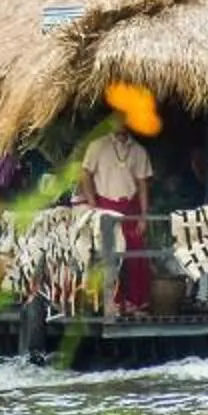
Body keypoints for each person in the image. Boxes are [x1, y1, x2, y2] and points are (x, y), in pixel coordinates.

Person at [83, 122, 153, 313]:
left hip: (131, 208)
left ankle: (135, 301)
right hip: (106, 208)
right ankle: (111, 301)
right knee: (109, 254)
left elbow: (143, 186)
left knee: (135, 252)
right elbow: (85, 174)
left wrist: (144, 217)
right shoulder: (97, 146)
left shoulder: (139, 151)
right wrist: (92, 204)